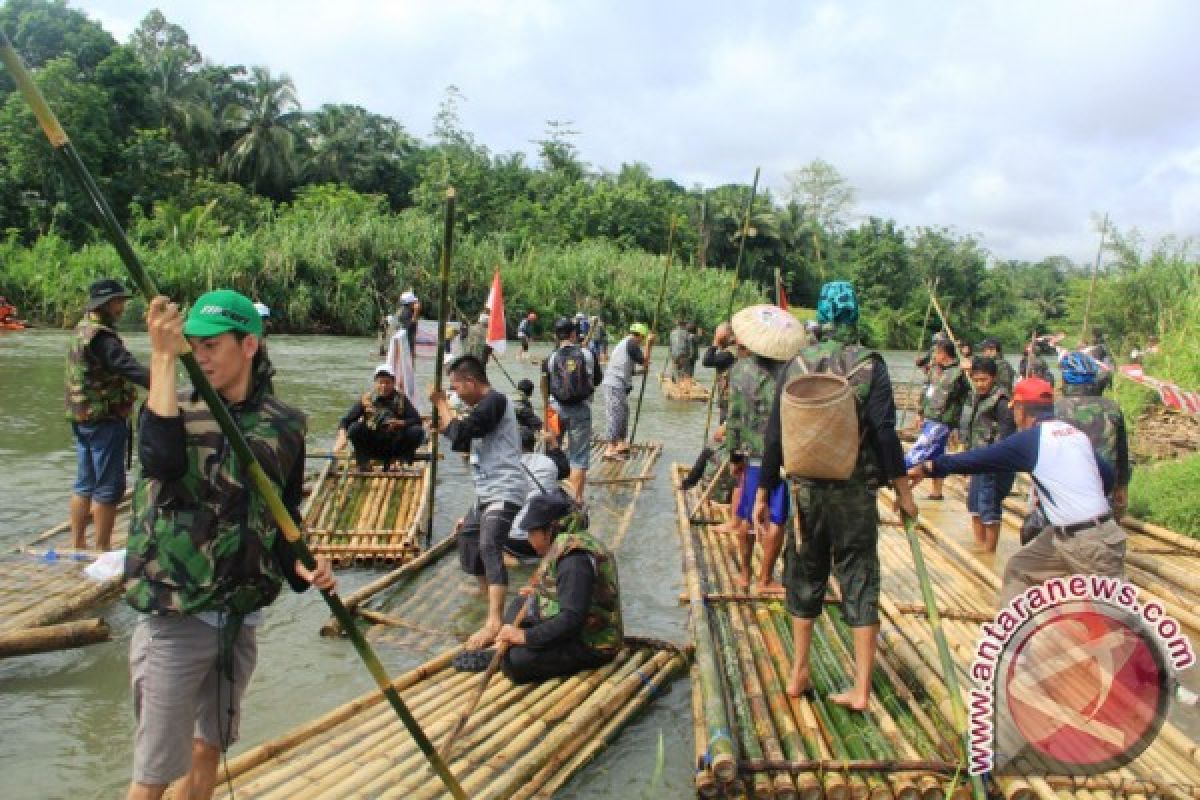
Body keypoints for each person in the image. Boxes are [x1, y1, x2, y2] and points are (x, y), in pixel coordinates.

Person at [125, 290, 335, 800]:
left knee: (208, 748)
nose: (201, 356)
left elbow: (284, 515)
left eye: (212, 345)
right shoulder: (172, 405)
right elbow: (159, 463)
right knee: (152, 773)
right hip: (176, 613)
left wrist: (306, 566)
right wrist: (161, 356)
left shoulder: (285, 424)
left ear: (249, 345)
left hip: (238, 615)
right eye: (193, 345)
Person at [756, 280, 917, 712]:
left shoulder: (796, 364)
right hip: (854, 492)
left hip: (806, 493)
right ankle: (861, 688)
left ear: (823, 317)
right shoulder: (870, 365)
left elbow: (775, 434)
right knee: (859, 576)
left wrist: (763, 491)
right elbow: (885, 433)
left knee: (805, 574)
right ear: (855, 315)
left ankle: (798, 672)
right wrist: (903, 493)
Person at [908, 377, 1123, 606]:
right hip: (1066, 535)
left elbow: (982, 459)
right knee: (1020, 570)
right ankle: (1016, 636)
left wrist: (930, 466)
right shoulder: (1074, 434)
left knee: (1114, 616)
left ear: (1021, 410)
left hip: (1089, 542)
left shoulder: (1031, 440)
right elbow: (1107, 477)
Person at [430, 355, 527, 650]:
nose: (455, 393)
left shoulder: (494, 401)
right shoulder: (480, 408)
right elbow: (460, 440)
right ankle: (490, 598)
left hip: (505, 489)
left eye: (456, 388)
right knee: (469, 539)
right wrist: (445, 418)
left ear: (471, 382)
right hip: (485, 491)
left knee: (489, 545)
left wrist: (440, 404)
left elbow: (458, 432)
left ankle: (495, 621)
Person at [495, 488, 623, 684]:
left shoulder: (574, 559)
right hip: (575, 628)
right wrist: (542, 593)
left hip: (591, 642)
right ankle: (507, 652)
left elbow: (572, 619)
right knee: (520, 602)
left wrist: (526, 637)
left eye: (532, 532)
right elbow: (566, 590)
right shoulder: (564, 544)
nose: (529, 540)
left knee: (516, 662)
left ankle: (506, 656)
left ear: (550, 530)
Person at [66, 278, 150, 551]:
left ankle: (78, 544)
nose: (122, 307)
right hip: (104, 419)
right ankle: (102, 549)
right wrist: (162, 382)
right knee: (108, 488)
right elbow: (128, 368)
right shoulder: (102, 338)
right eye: (118, 302)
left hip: (82, 418)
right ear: (106, 305)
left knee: (84, 484)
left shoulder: (82, 329)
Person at [724, 304, 804, 590]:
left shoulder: (739, 370)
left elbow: (732, 417)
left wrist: (733, 454)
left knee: (746, 513)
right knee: (776, 515)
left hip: (748, 452)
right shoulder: (790, 373)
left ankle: (745, 573)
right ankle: (765, 578)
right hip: (779, 454)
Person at [1055, 352, 1131, 519]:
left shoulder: (1057, 409)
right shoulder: (1112, 408)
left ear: (1065, 379)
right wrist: (1122, 485)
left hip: (1064, 487)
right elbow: (1122, 452)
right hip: (1103, 485)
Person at [959, 357, 1017, 553]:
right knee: (974, 505)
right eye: (976, 380)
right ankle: (979, 546)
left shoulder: (1002, 402)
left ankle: (989, 550)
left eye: (984, 380)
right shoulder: (974, 397)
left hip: (993, 462)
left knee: (988, 505)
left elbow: (1007, 434)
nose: (979, 384)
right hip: (977, 459)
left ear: (993, 378)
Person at [542, 317, 601, 501]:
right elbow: (597, 380)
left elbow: (546, 386)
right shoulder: (587, 354)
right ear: (574, 334)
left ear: (556, 336)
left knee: (552, 449)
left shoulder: (550, 359)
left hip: (553, 410)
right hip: (581, 410)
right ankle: (575, 501)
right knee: (578, 456)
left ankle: (550, 497)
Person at [905, 339, 969, 500]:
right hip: (930, 416)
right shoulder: (934, 369)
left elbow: (972, 390)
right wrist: (920, 413)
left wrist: (970, 368)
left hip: (944, 420)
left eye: (936, 353)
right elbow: (926, 391)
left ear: (943, 354)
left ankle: (901, 475)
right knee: (937, 456)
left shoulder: (959, 372)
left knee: (920, 450)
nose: (934, 356)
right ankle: (936, 492)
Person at [333, 365, 426, 470]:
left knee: (417, 431)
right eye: (380, 382)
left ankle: (402, 461)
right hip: (373, 444)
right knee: (354, 428)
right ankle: (364, 462)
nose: (384, 386)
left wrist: (400, 423)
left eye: (387, 382)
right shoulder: (367, 400)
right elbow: (346, 421)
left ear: (393, 383)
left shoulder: (401, 399)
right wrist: (342, 436)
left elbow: (417, 420)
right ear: (375, 383)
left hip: (395, 444)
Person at [506, 427, 571, 560]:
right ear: (533, 443)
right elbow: (565, 470)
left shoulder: (505, 465)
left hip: (514, 543)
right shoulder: (547, 462)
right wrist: (553, 444)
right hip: (547, 540)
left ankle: (509, 558)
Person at [599, 322, 652, 460]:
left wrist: (642, 372)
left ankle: (621, 443)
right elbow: (644, 361)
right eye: (643, 339)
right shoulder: (632, 343)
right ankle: (610, 448)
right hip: (613, 384)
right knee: (615, 414)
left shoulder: (626, 343)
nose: (642, 341)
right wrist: (649, 345)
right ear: (640, 336)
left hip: (618, 384)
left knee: (623, 413)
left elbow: (629, 369)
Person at [702, 322, 738, 422]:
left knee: (725, 427)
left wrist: (714, 344)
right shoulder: (735, 350)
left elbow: (706, 361)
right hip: (732, 397)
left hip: (729, 399)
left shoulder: (729, 354)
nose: (715, 336)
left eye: (717, 334)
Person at [396, 291, 420, 359]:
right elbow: (410, 327)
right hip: (407, 345)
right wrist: (416, 312)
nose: (416, 303)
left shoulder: (403, 311)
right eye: (414, 302)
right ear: (410, 303)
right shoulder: (407, 312)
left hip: (405, 344)